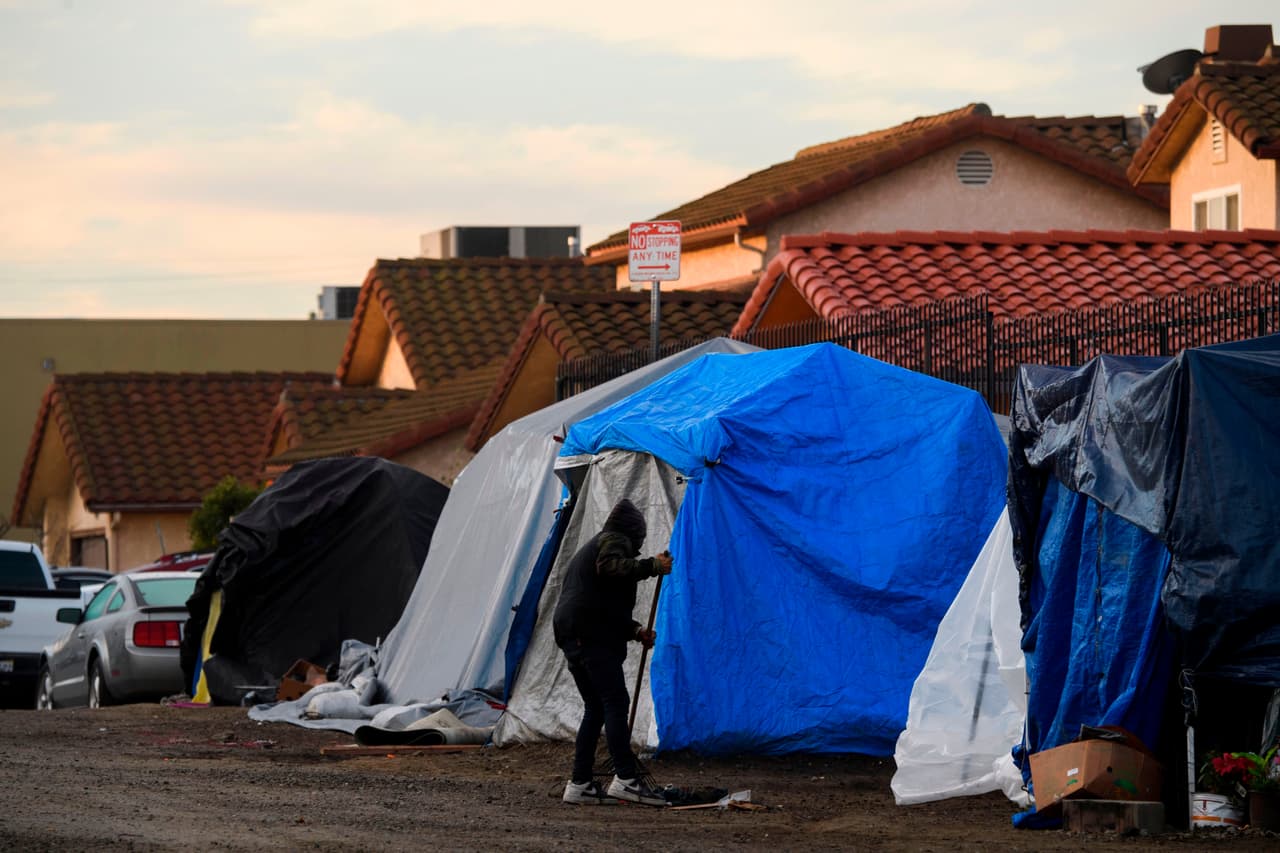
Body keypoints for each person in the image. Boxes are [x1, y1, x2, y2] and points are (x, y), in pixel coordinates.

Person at [553, 497, 673, 806]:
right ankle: (626, 779)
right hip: (587, 634)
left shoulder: (600, 545)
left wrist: (635, 631)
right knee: (615, 702)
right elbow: (609, 569)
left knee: (595, 707)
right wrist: (651, 566)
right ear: (634, 532)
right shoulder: (612, 540)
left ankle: (580, 784)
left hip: (576, 632)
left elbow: (602, 605)